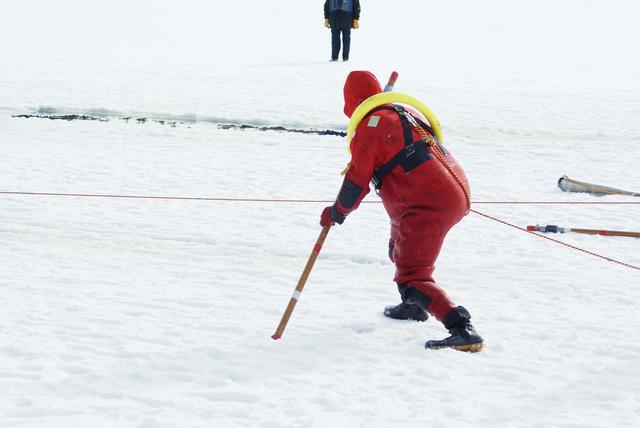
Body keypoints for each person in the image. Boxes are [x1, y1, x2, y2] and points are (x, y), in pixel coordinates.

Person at [319, 71, 484, 352]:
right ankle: (413, 307)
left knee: (411, 276)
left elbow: (357, 181)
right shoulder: (401, 111)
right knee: (397, 247)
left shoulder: (371, 128)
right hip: (447, 190)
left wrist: (337, 211)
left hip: (428, 203)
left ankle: (462, 328)